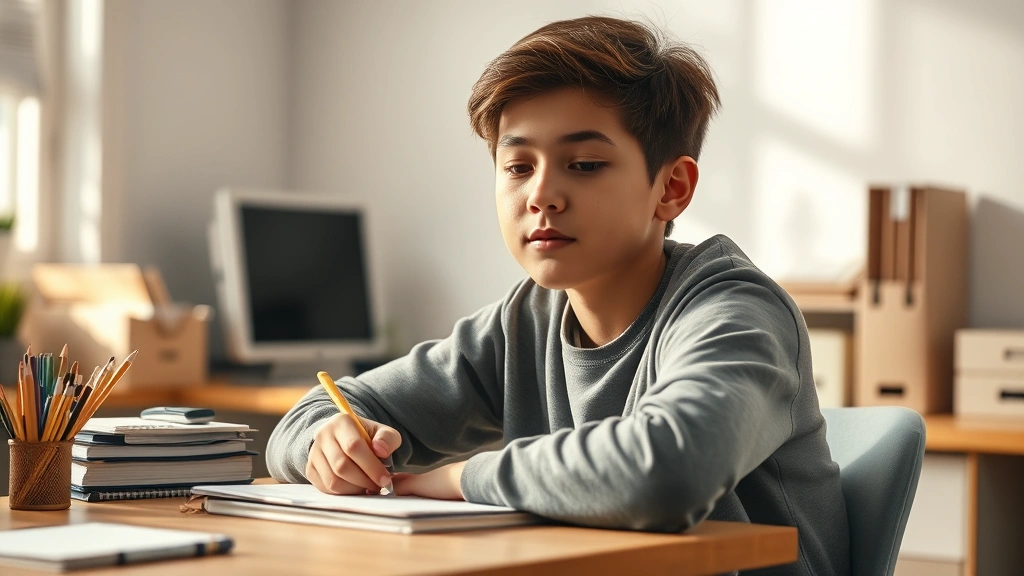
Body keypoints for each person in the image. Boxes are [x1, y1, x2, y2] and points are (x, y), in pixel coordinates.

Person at [267, 15, 850, 575]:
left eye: (586, 164)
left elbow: (670, 469)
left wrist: (461, 480)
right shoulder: (523, 322)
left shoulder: (734, 310)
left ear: (671, 188)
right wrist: (329, 444)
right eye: (518, 166)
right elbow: (316, 412)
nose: (542, 194)